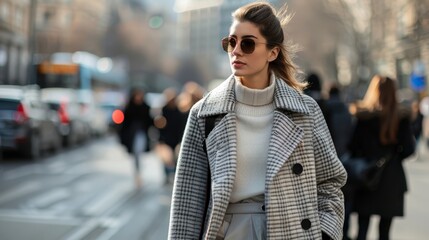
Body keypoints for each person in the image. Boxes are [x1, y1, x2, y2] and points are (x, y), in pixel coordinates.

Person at [168, 2, 347, 240]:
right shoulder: (205, 114)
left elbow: (330, 182)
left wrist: (323, 233)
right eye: (231, 42)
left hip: (291, 231)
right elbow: (187, 199)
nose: (236, 51)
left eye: (248, 43)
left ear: (272, 52)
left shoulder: (304, 111)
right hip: (228, 232)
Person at [347, 75, 416, 240]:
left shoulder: (363, 117)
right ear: (394, 92)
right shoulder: (401, 118)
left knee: (362, 228)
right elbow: (408, 150)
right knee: (385, 232)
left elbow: (353, 147)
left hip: (367, 176)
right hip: (392, 178)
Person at [324, 85, 354, 240]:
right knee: (344, 199)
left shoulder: (323, 109)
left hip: (327, 160)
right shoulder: (346, 109)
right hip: (344, 159)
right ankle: (345, 232)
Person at [119, 88, 153, 189]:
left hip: (141, 133)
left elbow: (149, 121)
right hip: (132, 135)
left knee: (139, 152)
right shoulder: (129, 107)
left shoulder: (145, 107)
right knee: (136, 154)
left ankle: (139, 171)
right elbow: (124, 123)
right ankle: (137, 172)